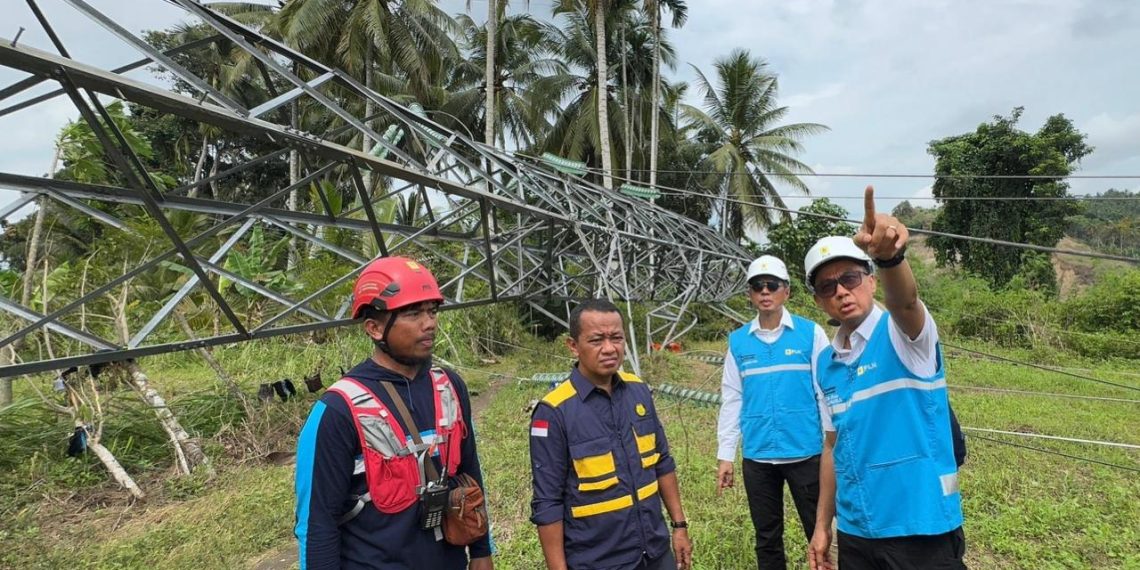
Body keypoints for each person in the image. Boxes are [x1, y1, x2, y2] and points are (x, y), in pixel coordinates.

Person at [294, 257, 494, 570]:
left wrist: (481, 551)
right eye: (413, 313)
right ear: (374, 328)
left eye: (432, 311)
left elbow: (470, 473)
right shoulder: (338, 411)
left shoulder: (449, 387)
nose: (429, 323)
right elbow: (318, 522)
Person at [806, 187, 966, 570]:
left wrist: (890, 258)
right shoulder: (826, 363)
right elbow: (832, 446)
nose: (841, 291)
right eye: (827, 286)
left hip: (920, 527)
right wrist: (823, 525)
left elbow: (906, 302)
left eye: (850, 278)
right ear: (819, 300)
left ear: (872, 281)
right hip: (857, 531)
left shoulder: (903, 335)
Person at [529, 299, 693, 570]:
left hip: (655, 553)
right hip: (599, 561)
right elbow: (548, 502)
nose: (609, 348)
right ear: (573, 346)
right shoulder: (554, 412)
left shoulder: (638, 391)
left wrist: (679, 526)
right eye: (596, 340)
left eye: (616, 338)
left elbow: (662, 462)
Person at [716, 255, 832, 569]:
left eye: (772, 285)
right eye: (758, 286)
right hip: (758, 457)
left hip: (806, 453)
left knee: (819, 529)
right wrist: (725, 455)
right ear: (750, 294)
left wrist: (831, 445)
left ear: (786, 291)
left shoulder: (811, 334)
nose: (765, 291)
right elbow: (732, 398)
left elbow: (825, 393)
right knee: (766, 536)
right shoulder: (739, 342)